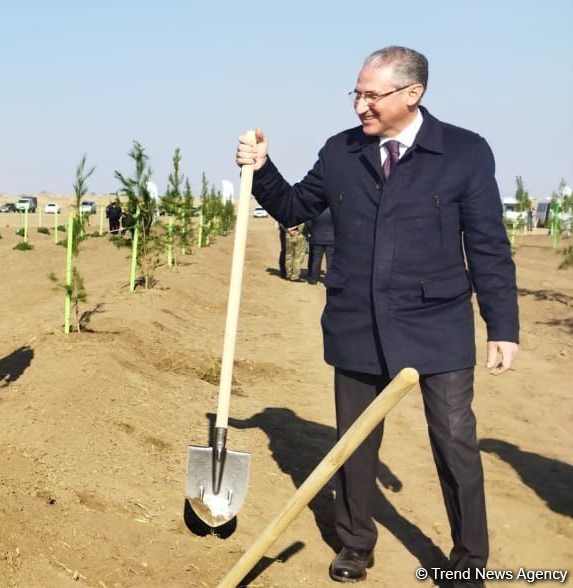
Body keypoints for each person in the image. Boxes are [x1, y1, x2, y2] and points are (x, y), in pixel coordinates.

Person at [236, 46, 519, 585]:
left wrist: (502, 326)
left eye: (372, 95)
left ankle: (469, 560)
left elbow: (487, 244)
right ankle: (355, 544)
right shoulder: (341, 152)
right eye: (357, 93)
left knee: (455, 440)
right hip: (357, 319)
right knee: (354, 441)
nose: (360, 106)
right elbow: (295, 208)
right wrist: (263, 168)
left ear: (412, 94)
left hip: (437, 322)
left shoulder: (464, 152)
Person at [305, 208, 335, 285]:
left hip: (317, 237)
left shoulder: (316, 210)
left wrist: (312, 231)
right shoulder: (333, 210)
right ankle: (330, 279)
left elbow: (308, 223)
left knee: (316, 260)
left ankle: (313, 279)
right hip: (331, 238)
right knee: (330, 261)